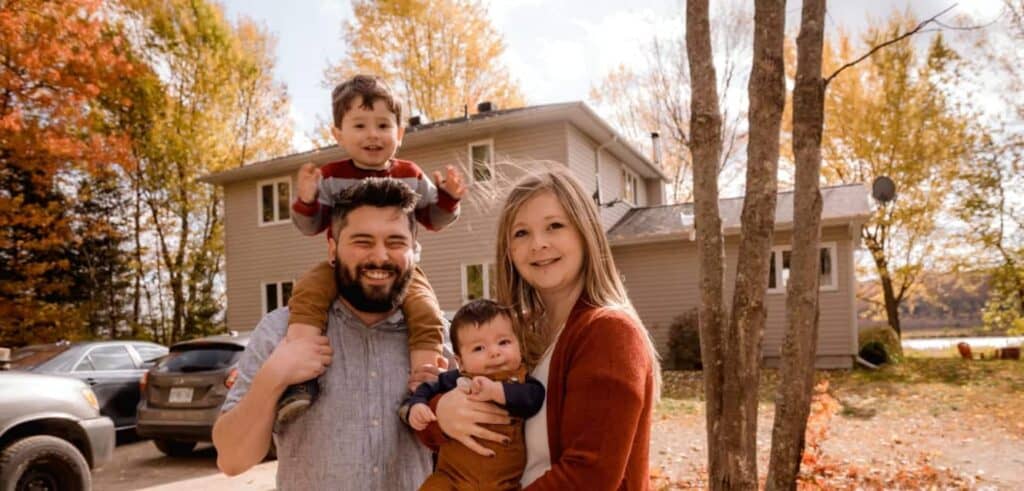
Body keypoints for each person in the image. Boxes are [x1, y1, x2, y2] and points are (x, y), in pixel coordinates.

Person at [416, 168, 660, 490]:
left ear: (585, 233)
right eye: (521, 233)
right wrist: (441, 412)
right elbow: (434, 428)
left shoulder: (608, 333)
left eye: (554, 226)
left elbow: (588, 476)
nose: (538, 244)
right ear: (509, 250)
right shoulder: (517, 335)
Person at [212, 178, 436, 490]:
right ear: (332, 250)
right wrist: (274, 376)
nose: (380, 256)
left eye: (396, 242)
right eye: (362, 241)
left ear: (415, 251)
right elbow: (232, 460)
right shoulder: (281, 331)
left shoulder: (443, 344)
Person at [281, 74, 465, 423]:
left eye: (383, 125)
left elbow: (432, 218)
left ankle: (424, 384)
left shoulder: (410, 174)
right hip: (342, 268)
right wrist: (307, 199)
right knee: (307, 294)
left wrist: (450, 198)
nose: (372, 135)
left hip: (403, 273)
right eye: (360, 125)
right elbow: (311, 225)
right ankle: (299, 376)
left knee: (427, 311)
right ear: (338, 134)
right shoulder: (331, 177)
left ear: (400, 133)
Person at [407, 299, 544, 490]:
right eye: (479, 348)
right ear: (460, 362)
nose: (494, 352)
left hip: (501, 483)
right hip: (452, 477)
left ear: (519, 345)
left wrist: (498, 391)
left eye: (503, 342)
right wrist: (418, 404)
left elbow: (534, 398)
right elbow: (429, 387)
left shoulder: (520, 380)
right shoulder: (458, 378)